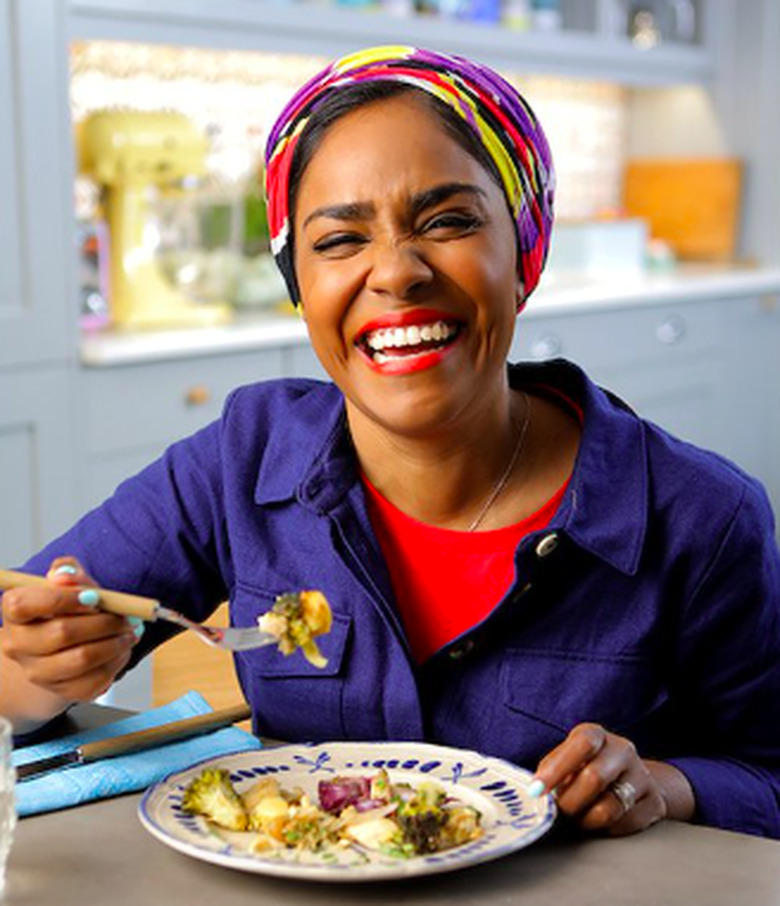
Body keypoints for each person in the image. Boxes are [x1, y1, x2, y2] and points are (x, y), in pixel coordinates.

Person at [2, 45, 780, 840]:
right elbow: (16, 650)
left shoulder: (703, 517)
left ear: (524, 253)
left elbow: (768, 775)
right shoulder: (243, 459)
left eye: (447, 222)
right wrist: (42, 675)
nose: (396, 273)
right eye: (340, 240)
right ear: (299, 286)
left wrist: (666, 785)